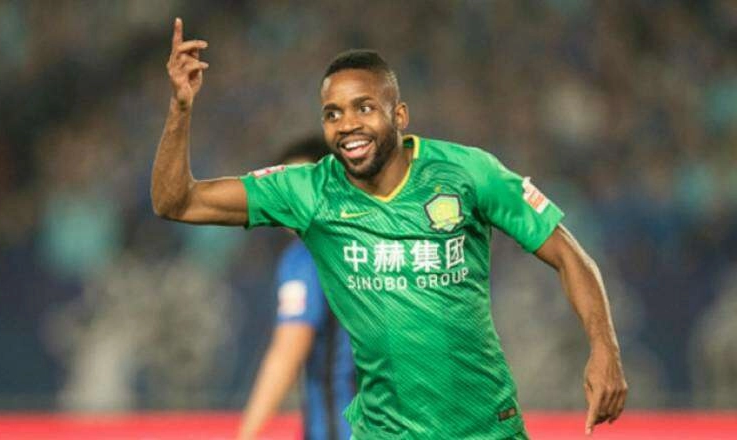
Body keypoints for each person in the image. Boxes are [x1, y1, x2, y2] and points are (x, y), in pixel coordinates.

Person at [152, 18, 628, 439]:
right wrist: (180, 108)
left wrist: (604, 347)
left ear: (399, 115)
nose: (347, 125)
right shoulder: (311, 192)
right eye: (333, 114)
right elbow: (176, 201)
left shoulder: (468, 173)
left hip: (485, 429)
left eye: (363, 108)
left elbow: (568, 254)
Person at [237, 137, 355, 440]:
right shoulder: (369, 246)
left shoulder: (306, 257)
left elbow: (288, 351)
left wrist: (246, 435)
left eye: (302, 185)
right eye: (284, 188)